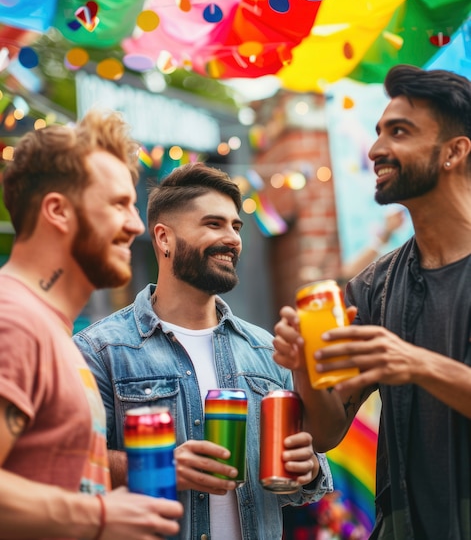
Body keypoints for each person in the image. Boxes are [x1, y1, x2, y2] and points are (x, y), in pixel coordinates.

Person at [74, 162, 333, 540]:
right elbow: (71, 463)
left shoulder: (267, 349)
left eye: (236, 226)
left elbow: (306, 477)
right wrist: (161, 466)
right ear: (163, 238)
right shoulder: (100, 350)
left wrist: (308, 467)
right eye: (214, 224)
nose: (232, 238)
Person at [272, 65, 471, 540]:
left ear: (455, 152)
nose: (376, 149)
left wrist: (417, 364)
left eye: (399, 132)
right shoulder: (374, 286)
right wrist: (305, 366)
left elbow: (412, 366)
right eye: (379, 131)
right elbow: (327, 432)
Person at [0, 110, 183, 540]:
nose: (137, 225)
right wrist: (98, 517)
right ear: (58, 211)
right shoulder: (14, 321)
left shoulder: (51, 331)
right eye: (119, 204)